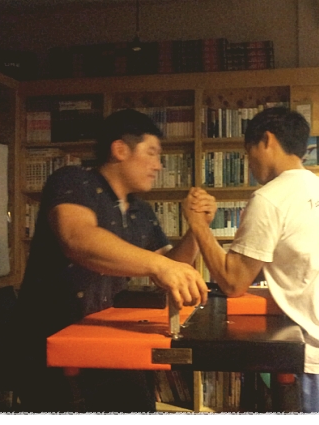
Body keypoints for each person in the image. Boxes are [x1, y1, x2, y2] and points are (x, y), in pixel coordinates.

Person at [183, 106, 319, 413]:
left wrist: (197, 225)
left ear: (266, 140)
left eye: (248, 153)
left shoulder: (270, 198)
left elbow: (233, 281)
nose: (249, 164)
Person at [15, 109, 211, 413]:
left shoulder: (140, 210)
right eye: (152, 153)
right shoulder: (73, 180)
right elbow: (77, 238)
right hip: (52, 348)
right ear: (120, 150)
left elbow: (168, 265)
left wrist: (198, 228)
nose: (159, 165)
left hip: (110, 343)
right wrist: (161, 266)